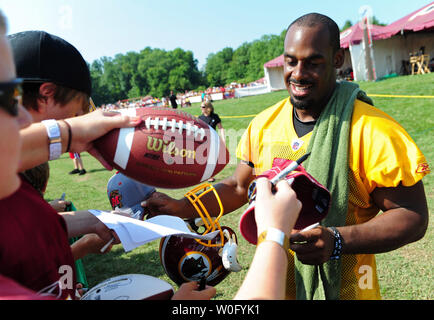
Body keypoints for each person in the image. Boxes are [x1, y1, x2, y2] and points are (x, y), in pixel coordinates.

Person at [144, 13, 430, 300]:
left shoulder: (374, 130)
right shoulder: (264, 124)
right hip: (275, 288)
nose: (298, 73)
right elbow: (239, 187)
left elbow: (412, 216)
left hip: (350, 291)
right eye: (291, 61)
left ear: (337, 59)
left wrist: (338, 240)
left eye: (313, 62)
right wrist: (180, 207)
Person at [0, 13, 215, 300]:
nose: (23, 116)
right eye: (77, 113)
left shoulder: (15, 181)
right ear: (46, 95)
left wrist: (95, 220)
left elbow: (25, 231)